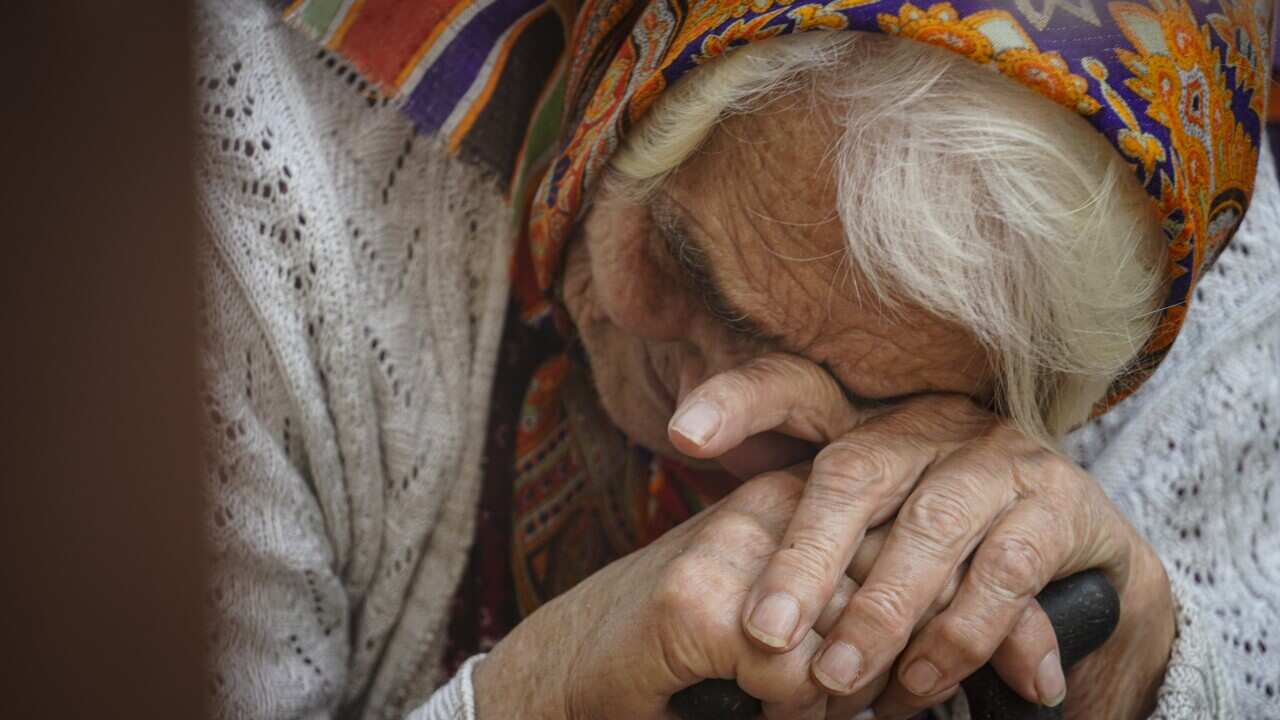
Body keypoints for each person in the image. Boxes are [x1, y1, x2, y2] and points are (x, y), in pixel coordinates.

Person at [195, 0, 1280, 718]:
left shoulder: (1196, 278)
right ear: (630, 73)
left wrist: (1137, 668)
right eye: (686, 263)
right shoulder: (246, 176)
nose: (708, 416)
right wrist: (539, 696)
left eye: (876, 399)